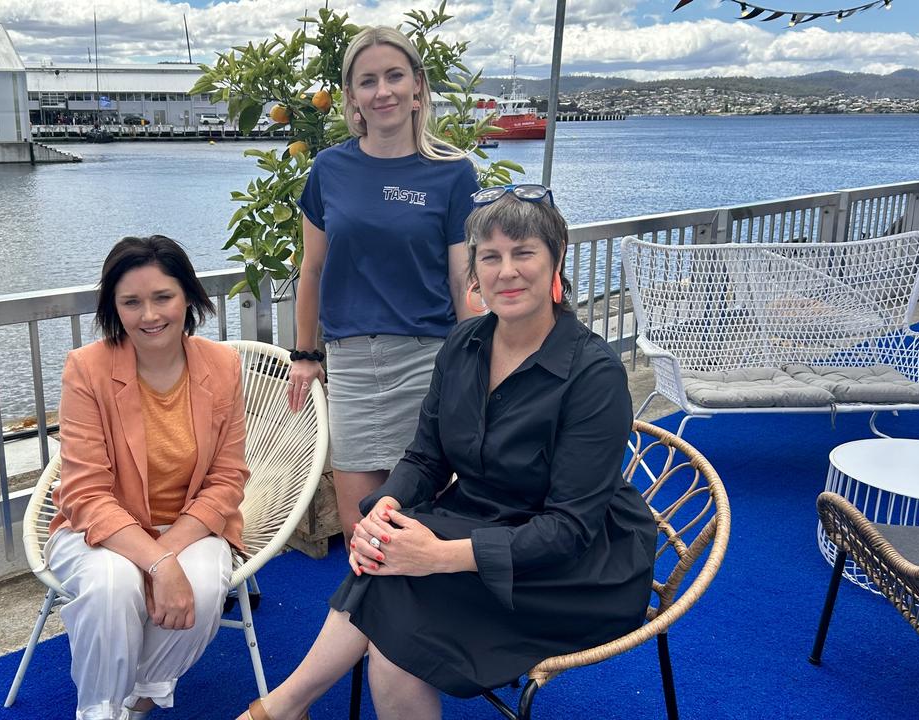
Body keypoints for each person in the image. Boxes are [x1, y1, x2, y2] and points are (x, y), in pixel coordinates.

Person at [239, 187, 657, 720]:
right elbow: (426, 459)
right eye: (490, 256)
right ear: (474, 274)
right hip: (484, 521)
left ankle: (279, 709)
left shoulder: (592, 374)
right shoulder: (463, 346)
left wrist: (438, 556)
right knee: (389, 582)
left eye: (524, 252)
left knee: (393, 595)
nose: (507, 271)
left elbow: (570, 529)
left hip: (577, 566)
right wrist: (385, 508)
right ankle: (282, 709)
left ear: (556, 261)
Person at [287, 26, 481, 547]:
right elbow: (312, 270)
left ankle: (417, 628)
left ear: (418, 86)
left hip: (427, 362)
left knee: (423, 521)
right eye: (368, 81)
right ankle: (373, 629)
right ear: (351, 97)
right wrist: (305, 354)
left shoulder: (454, 172)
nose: (383, 91)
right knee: (359, 531)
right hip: (350, 365)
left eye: (395, 76)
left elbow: (463, 278)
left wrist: (477, 364)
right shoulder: (329, 169)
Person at [47, 235, 249, 720]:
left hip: (191, 524)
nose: (149, 315)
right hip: (102, 528)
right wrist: (157, 564)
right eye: (131, 302)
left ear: (188, 297)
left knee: (200, 591)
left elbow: (227, 479)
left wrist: (168, 554)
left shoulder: (222, 366)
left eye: (163, 297)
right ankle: (99, 712)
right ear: (114, 308)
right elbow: (85, 492)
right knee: (112, 586)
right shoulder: (88, 369)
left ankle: (136, 701)